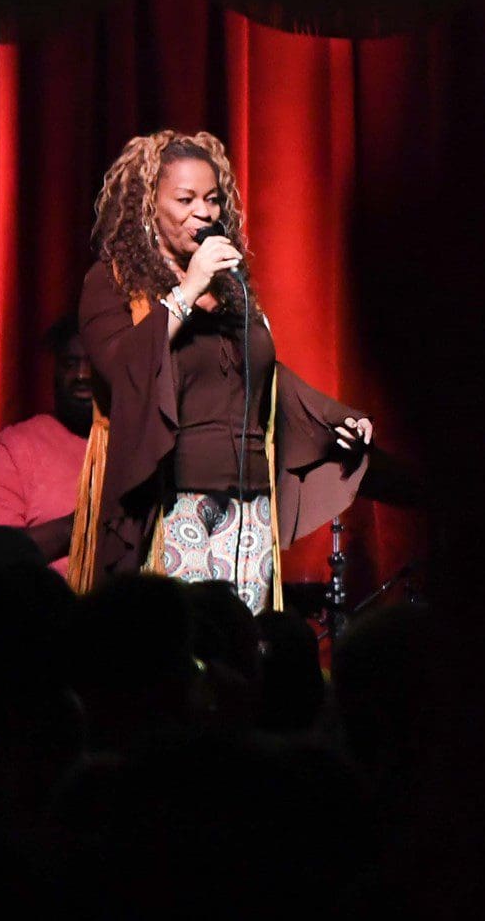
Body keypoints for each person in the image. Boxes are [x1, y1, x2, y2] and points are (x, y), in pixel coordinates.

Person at [73, 130, 373, 612]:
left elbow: (263, 378)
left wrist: (338, 420)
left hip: (249, 501)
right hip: (171, 502)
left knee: (238, 642)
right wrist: (187, 291)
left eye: (212, 199)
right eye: (186, 199)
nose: (205, 212)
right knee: (182, 640)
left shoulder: (232, 291)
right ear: (148, 206)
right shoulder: (113, 283)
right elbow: (122, 369)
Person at [0, 317, 95, 572]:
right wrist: (77, 527)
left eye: (93, 363)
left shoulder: (143, 448)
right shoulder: (12, 451)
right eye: (70, 363)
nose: (81, 375)